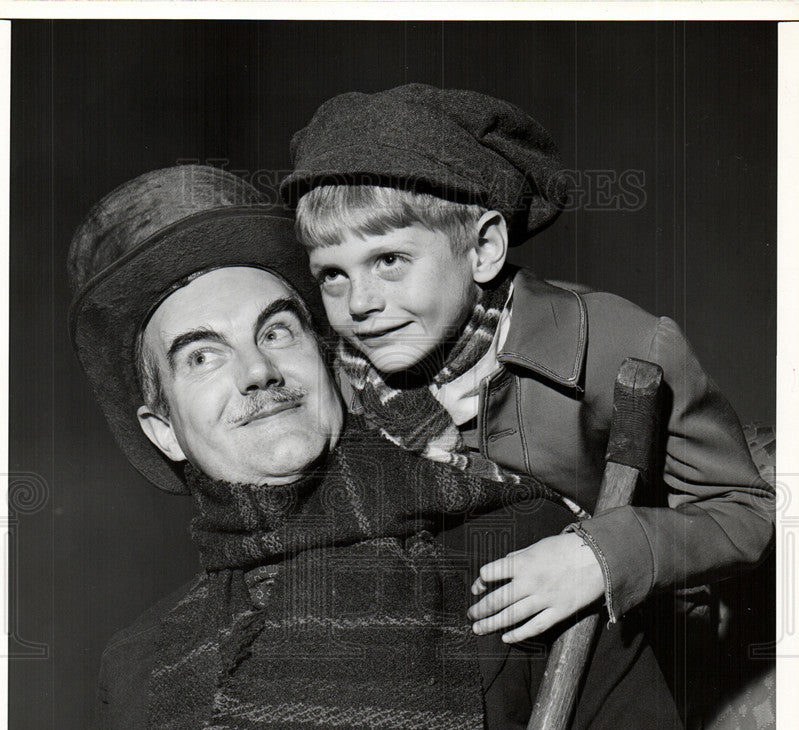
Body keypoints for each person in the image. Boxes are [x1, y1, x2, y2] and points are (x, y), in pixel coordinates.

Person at [15, 165, 734, 730]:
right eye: (202, 356)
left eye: (278, 331)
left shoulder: (533, 553)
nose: (257, 371)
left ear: (327, 361)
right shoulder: (146, 659)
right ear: (164, 428)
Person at [280, 83, 774, 644]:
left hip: (620, 646)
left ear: (484, 248)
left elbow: (747, 514)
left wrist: (601, 556)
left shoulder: (619, 344)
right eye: (332, 275)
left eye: (389, 259)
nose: (361, 304)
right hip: (441, 649)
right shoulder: (340, 383)